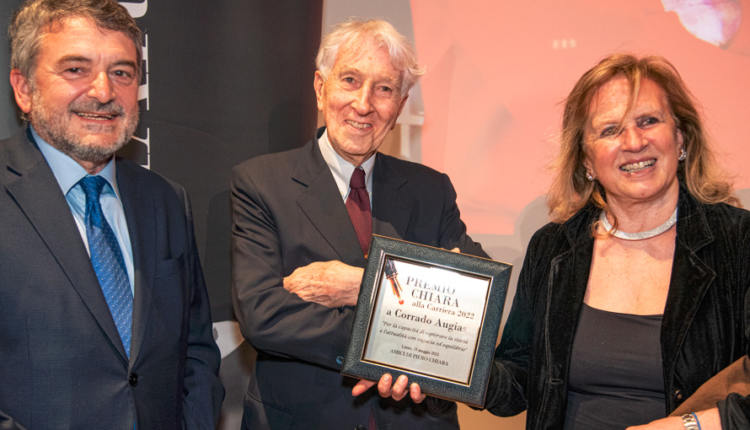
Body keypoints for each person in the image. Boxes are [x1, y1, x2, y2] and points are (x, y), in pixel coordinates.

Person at [231, 19, 486, 430]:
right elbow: (264, 314)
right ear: (320, 88)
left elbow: (476, 300)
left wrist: (361, 284)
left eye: (384, 88)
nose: (364, 104)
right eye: (350, 80)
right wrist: (403, 340)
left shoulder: (431, 190)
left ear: (400, 105)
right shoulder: (261, 184)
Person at [480, 54, 750, 429]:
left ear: (680, 137)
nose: (634, 142)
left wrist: (693, 425)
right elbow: (519, 379)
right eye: (610, 130)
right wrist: (441, 368)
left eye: (648, 121)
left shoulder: (738, 243)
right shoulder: (553, 247)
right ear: (586, 161)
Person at [0, 1, 223, 428]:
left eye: (121, 73)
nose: (103, 92)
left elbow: (195, 350)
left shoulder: (166, 200)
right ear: (23, 88)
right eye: (76, 69)